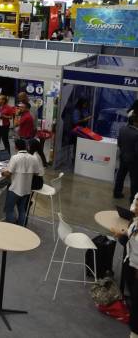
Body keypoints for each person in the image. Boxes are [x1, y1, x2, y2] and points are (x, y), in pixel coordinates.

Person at [110, 194, 138, 338]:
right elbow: (130, 232)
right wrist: (119, 233)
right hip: (131, 262)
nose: (134, 208)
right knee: (133, 293)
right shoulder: (135, 222)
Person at [2, 139, 42, 226]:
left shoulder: (15, 158)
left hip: (15, 189)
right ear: (26, 147)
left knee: (9, 209)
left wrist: (2, 172)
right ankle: (21, 228)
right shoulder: (33, 158)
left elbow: (8, 173)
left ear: (16, 147)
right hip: (27, 190)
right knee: (22, 209)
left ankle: (12, 227)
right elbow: (37, 173)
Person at [114, 115, 138, 200]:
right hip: (133, 161)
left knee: (120, 176)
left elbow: (119, 143)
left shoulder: (122, 129)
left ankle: (117, 193)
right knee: (134, 180)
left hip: (123, 157)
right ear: (135, 122)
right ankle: (133, 199)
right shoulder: (136, 134)